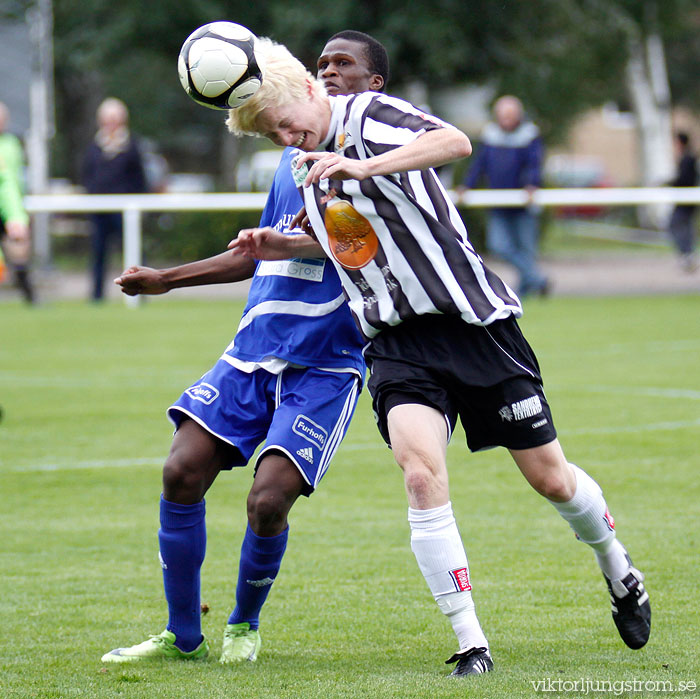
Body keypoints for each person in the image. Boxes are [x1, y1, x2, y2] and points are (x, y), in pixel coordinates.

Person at [226, 39, 651, 677]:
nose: (283, 137)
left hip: (474, 326)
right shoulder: (301, 165)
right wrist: (280, 244)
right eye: (270, 133)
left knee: (551, 479)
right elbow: (347, 241)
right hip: (397, 343)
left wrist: (365, 168)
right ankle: (470, 641)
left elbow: (455, 142)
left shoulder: (369, 116)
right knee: (421, 476)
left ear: (311, 92)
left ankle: (619, 568)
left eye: (283, 121)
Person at [100, 31, 390, 665]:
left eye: (344, 66)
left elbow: (358, 247)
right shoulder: (292, 163)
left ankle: (243, 623)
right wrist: (167, 280)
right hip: (252, 351)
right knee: (181, 469)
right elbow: (253, 255)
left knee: (267, 500)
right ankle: (183, 636)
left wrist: (309, 233)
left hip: (325, 364)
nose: (329, 73)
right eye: (322, 63)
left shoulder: (373, 163)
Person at [458, 95, 549, 297]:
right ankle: (538, 279)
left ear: (519, 116)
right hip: (499, 204)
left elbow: (535, 164)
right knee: (499, 246)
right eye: (503, 116)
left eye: (510, 116)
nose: (506, 120)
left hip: (523, 203)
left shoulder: (530, 135)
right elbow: (479, 165)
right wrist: (467, 185)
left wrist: (532, 184)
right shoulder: (491, 136)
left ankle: (526, 289)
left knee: (526, 250)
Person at [82, 97, 147, 301]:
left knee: (134, 252)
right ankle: (97, 295)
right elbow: (87, 175)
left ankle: (142, 290)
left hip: (126, 209)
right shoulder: (94, 146)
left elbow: (139, 178)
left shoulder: (132, 145)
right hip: (100, 210)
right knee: (99, 254)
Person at [0, 102, 35, 303]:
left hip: (7, 206)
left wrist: (15, 215)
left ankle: (29, 295)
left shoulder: (11, 143)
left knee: (18, 252)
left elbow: (8, 182)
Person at [667, 131, 698, 272]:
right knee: (685, 227)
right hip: (685, 199)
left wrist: (671, 183)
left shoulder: (688, 159)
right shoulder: (687, 158)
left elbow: (685, 180)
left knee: (676, 225)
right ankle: (687, 255)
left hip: (686, 200)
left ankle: (687, 254)